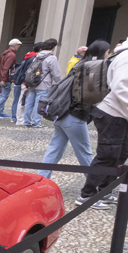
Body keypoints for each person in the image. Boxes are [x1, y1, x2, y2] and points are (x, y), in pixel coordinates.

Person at [76, 17, 128, 208]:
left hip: (120, 114)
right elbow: (120, 86)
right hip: (111, 113)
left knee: (120, 155)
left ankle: (105, 191)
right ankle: (87, 195)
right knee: (107, 156)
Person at [38, 39, 108, 179]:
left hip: (61, 112)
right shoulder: (92, 69)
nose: (109, 54)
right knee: (84, 152)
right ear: (101, 53)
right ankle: (95, 184)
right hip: (74, 114)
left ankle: (41, 179)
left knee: (54, 149)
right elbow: (88, 95)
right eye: (107, 52)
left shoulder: (80, 65)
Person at [22, 39, 61, 129]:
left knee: (29, 103)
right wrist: (60, 83)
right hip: (44, 84)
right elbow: (56, 73)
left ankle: (26, 121)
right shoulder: (52, 58)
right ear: (53, 47)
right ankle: (36, 122)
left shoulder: (37, 56)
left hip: (33, 83)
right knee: (39, 104)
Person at [0, 39, 22, 119]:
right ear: (15, 45)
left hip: (2, 77)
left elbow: (0, 65)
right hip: (6, 78)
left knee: (3, 95)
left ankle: (1, 112)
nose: (19, 46)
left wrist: (1, 78)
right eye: (18, 45)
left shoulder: (5, 53)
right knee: (4, 96)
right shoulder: (12, 55)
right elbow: (6, 67)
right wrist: (3, 79)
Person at [12, 42, 43, 125]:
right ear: (40, 50)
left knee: (23, 101)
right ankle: (20, 120)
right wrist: (27, 84)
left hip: (25, 81)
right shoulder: (34, 58)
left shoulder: (29, 56)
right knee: (23, 101)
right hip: (27, 82)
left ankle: (20, 119)